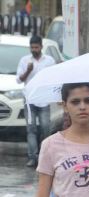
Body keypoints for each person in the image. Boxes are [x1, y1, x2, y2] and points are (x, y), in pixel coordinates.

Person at [16, 35, 56, 167]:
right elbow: (19, 80)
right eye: (32, 47)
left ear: (41, 47)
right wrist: (28, 71)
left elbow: (54, 77)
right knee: (31, 129)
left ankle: (43, 156)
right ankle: (32, 157)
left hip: (44, 99)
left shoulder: (49, 60)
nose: (34, 49)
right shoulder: (25, 60)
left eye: (36, 47)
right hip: (29, 99)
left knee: (45, 127)